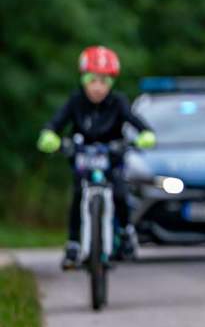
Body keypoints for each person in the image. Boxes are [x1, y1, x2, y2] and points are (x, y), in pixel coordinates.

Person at [37, 46, 157, 269]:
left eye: (104, 82)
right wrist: (49, 136)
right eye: (93, 81)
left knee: (120, 193)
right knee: (77, 195)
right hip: (82, 158)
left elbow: (139, 125)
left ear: (111, 83)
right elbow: (56, 122)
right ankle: (73, 243)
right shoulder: (76, 101)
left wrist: (145, 137)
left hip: (111, 159)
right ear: (84, 80)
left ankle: (126, 231)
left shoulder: (118, 102)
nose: (98, 88)